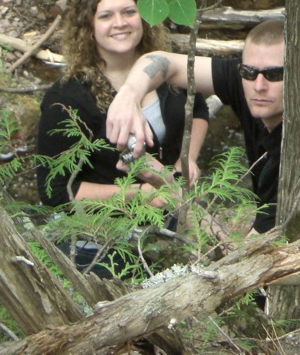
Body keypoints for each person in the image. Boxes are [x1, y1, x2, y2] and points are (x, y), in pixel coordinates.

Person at [36, 0, 210, 277]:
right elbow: (56, 193)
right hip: (98, 241)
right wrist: (139, 193)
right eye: (106, 16)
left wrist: (188, 160)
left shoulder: (164, 68)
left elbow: (198, 108)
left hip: (165, 220)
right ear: (88, 27)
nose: (120, 23)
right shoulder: (67, 98)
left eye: (129, 12)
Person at [106, 18, 286, 235]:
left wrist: (163, 183)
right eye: (248, 72)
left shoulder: (294, 152)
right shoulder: (244, 81)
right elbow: (164, 62)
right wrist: (129, 95)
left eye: (274, 75)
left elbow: (242, 249)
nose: (259, 86)